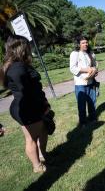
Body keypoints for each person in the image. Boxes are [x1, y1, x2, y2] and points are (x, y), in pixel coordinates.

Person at [0, 35, 49, 173]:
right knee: (31, 138)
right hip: (27, 107)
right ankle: (37, 166)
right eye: (27, 45)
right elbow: (26, 92)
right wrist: (42, 106)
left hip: (30, 105)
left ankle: (43, 155)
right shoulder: (17, 68)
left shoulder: (17, 65)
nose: (29, 48)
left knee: (43, 130)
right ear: (21, 47)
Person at [70, 36, 98, 127]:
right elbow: (72, 68)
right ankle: (83, 123)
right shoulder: (75, 54)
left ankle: (93, 119)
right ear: (78, 44)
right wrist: (86, 70)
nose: (85, 44)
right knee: (81, 105)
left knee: (92, 102)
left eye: (86, 42)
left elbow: (95, 65)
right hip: (80, 83)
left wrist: (95, 71)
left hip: (91, 81)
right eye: (83, 43)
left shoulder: (90, 53)